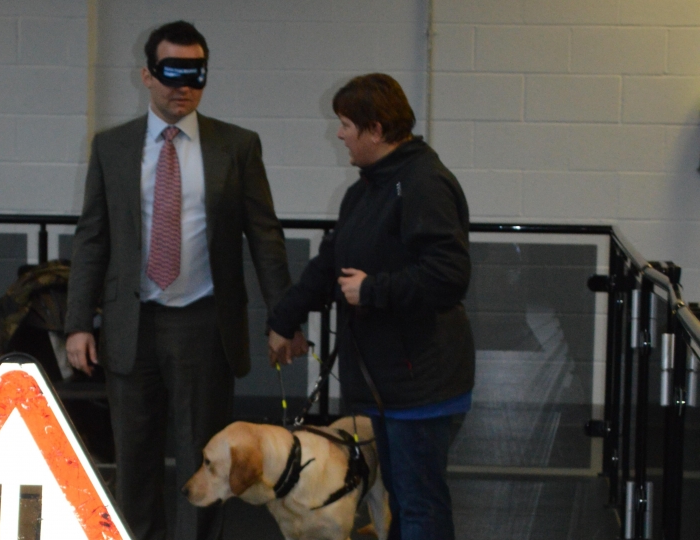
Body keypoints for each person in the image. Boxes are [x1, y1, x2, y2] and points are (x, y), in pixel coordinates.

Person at [64, 20, 306, 540]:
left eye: (196, 75)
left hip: (204, 325)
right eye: (172, 74)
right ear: (146, 76)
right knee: (135, 461)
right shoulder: (112, 148)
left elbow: (265, 236)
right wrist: (78, 322)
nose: (184, 86)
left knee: (208, 458)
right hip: (132, 324)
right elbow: (92, 239)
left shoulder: (237, 147)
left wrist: (284, 318)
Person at [267, 73, 475, 540]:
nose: (338, 134)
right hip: (386, 384)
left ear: (376, 130)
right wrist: (284, 320)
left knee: (419, 505)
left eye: (345, 124)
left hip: (422, 382)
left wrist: (376, 290)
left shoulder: (425, 183)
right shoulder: (366, 190)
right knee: (402, 500)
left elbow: (449, 276)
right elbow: (329, 265)